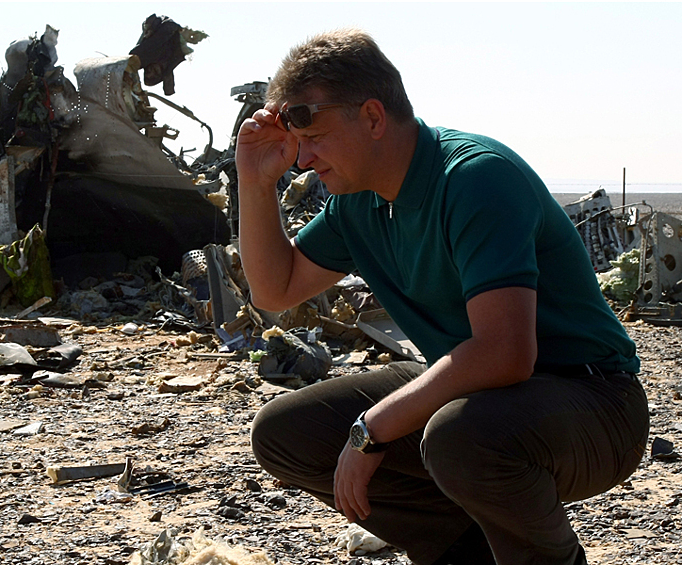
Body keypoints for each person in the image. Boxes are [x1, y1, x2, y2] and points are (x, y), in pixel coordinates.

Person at [238, 29, 649, 565]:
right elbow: (276, 289)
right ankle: (466, 552)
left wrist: (373, 429)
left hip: (594, 404)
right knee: (286, 432)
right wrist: (254, 181)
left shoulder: (475, 178)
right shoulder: (358, 201)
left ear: (372, 117)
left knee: (459, 436)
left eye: (312, 134)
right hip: (476, 395)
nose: (302, 159)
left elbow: (505, 353)